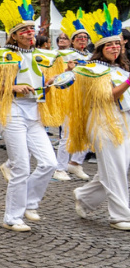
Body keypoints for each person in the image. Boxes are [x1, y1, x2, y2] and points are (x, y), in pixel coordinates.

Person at [0, 0, 65, 232]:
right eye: (24, 31)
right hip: (12, 113)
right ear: (13, 35)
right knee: (22, 167)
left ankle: (28, 204)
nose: (29, 33)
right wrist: (13, 87)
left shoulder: (43, 56)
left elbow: (42, 82)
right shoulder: (1, 55)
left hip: (35, 114)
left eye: (31, 30)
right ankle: (12, 217)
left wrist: (52, 82)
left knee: (49, 163)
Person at [70, 4, 130, 231]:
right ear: (101, 48)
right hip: (103, 122)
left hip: (124, 121)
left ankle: (85, 196)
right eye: (110, 45)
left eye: (117, 44)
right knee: (115, 169)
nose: (114, 48)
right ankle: (120, 215)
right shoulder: (92, 68)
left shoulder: (123, 69)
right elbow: (108, 96)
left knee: (118, 168)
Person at [54, 10, 92, 182]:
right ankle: (60, 168)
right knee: (67, 134)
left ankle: (76, 163)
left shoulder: (92, 57)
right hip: (70, 97)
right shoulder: (63, 55)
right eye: (79, 37)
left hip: (88, 97)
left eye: (85, 37)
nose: (82, 39)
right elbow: (55, 76)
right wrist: (67, 70)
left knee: (87, 132)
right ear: (72, 40)